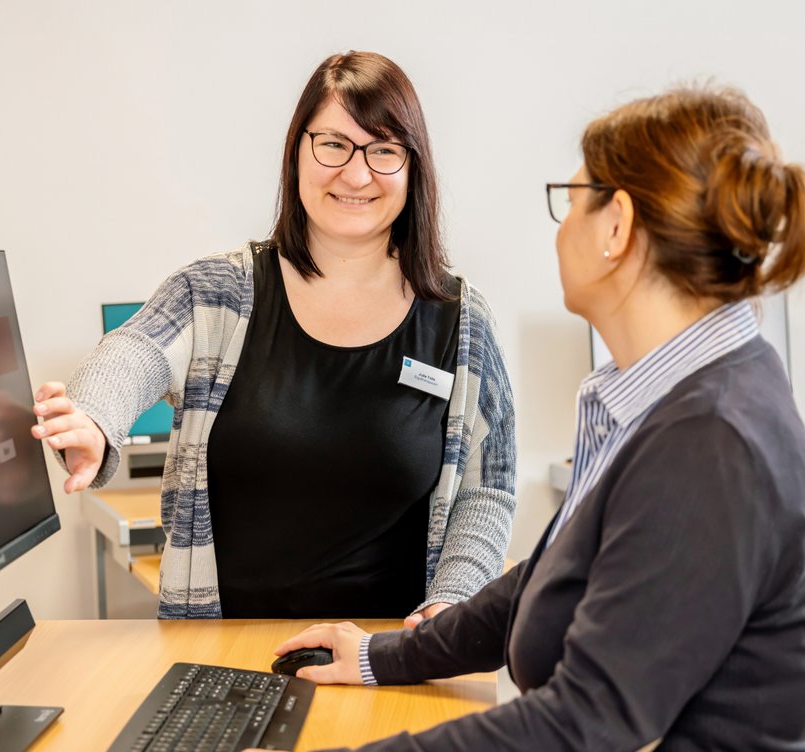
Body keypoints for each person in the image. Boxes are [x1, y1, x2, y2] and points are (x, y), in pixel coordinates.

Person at [204, 84, 805, 752]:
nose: (560, 232)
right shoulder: (670, 396)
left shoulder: (709, 440)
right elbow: (556, 576)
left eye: (573, 202)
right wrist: (385, 657)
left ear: (616, 226)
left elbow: (576, 730)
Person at [33, 52, 515, 623]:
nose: (356, 174)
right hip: (224, 653)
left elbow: (488, 490)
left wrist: (448, 604)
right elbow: (135, 350)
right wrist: (92, 417)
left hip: (387, 657)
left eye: (383, 151)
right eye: (333, 144)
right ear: (297, 152)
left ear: (413, 168)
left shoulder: (460, 320)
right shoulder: (218, 292)